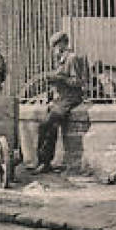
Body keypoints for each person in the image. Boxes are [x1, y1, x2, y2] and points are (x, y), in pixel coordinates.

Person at [33, 30, 85, 173]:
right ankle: (44, 162)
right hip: (60, 99)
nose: (54, 49)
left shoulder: (72, 58)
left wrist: (59, 78)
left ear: (63, 43)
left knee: (45, 125)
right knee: (50, 129)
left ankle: (43, 161)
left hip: (70, 99)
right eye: (53, 46)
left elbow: (78, 81)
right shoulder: (61, 59)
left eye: (56, 45)